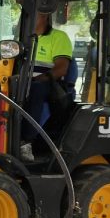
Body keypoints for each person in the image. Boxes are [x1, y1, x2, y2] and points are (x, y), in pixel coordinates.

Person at [22, 11, 73, 159]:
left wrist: (39, 79)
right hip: (24, 81)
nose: (27, 18)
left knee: (34, 90)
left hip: (48, 83)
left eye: (31, 14)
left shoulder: (58, 37)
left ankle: (26, 142)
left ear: (44, 15)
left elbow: (61, 68)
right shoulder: (24, 39)